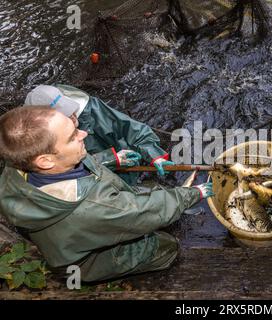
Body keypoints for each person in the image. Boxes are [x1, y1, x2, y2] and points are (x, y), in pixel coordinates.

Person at [0, 106, 213, 282]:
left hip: (71, 238)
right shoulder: (95, 207)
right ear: (45, 161)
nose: (83, 133)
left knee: (154, 192)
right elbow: (142, 212)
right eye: (73, 136)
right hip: (87, 262)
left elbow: (71, 167)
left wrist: (110, 159)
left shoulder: (14, 171)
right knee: (166, 246)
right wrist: (193, 194)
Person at [24, 84, 173, 185]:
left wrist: (155, 155)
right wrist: (110, 160)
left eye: (71, 110)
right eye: (65, 116)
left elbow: (130, 128)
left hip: (125, 165)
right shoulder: (36, 148)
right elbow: (67, 180)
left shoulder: (89, 109)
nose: (74, 118)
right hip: (97, 185)